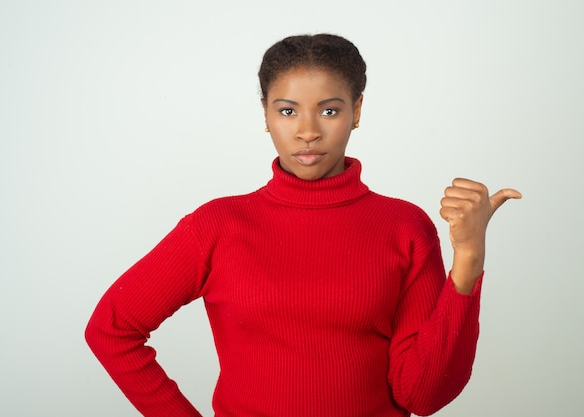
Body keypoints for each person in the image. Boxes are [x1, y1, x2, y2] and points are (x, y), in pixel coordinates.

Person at [85, 34, 521, 417]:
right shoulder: (218, 225)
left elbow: (423, 397)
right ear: (266, 114)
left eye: (329, 111)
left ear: (357, 110)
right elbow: (112, 329)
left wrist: (469, 259)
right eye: (288, 110)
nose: (308, 131)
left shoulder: (404, 227)